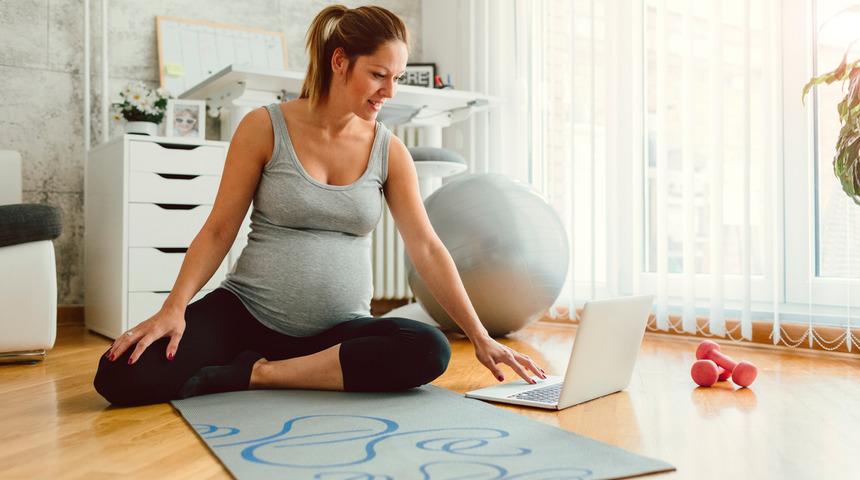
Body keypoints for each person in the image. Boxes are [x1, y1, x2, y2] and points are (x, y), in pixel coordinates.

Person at [93, 4, 546, 407]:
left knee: (429, 349)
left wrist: (479, 336)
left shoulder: (389, 151)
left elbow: (426, 247)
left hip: (337, 334)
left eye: (397, 78)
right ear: (340, 61)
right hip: (246, 315)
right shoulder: (263, 127)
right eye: (378, 74)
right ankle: (278, 368)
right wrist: (174, 307)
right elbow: (219, 229)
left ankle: (257, 375)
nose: (390, 91)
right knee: (119, 375)